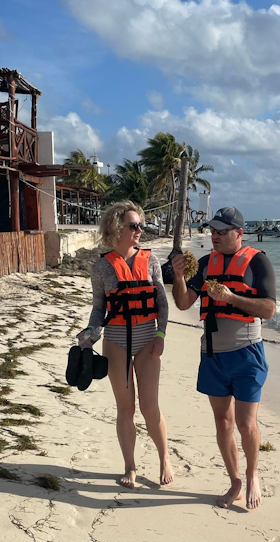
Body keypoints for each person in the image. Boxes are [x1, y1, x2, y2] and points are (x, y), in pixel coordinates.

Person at [171, 206, 277, 509]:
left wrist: (231, 298)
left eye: (222, 231)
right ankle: (235, 483)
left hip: (246, 353)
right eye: (213, 231)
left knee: (246, 424)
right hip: (213, 355)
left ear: (239, 233)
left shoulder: (258, 262)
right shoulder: (205, 263)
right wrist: (178, 276)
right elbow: (182, 303)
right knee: (222, 422)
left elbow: (269, 309)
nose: (215, 236)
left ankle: (253, 473)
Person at [79, 200, 173, 489]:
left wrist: (161, 335)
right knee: (125, 408)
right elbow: (99, 308)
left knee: (149, 407)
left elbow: (161, 302)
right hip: (116, 341)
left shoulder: (151, 260)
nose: (139, 230)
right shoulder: (101, 268)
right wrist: (90, 334)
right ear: (116, 229)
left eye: (140, 225)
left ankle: (165, 457)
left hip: (147, 340)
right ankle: (130, 467)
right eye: (134, 225)